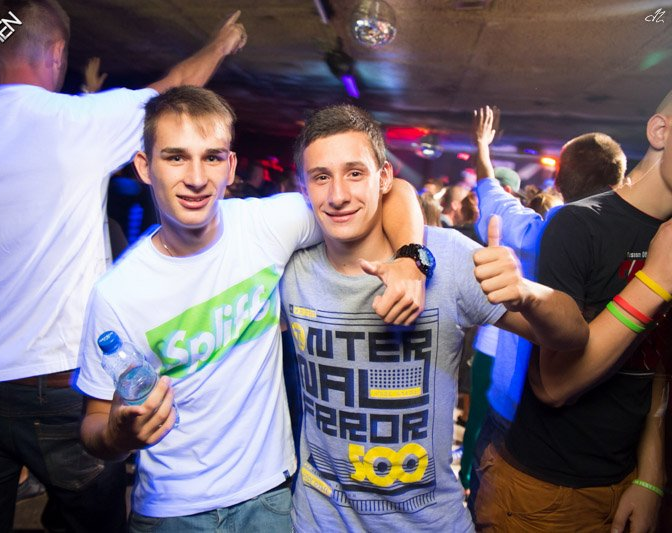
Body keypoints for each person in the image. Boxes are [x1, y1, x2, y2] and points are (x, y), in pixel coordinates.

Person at [0, 1, 248, 531]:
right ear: (57, 52)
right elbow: (174, 88)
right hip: (63, 383)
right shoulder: (77, 122)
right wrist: (221, 44)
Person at [75, 86, 429, 532]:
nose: (196, 178)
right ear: (145, 167)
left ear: (231, 166)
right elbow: (92, 425)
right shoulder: (116, 294)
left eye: (212, 157)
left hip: (271, 498)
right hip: (171, 512)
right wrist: (116, 436)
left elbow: (390, 190)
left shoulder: (269, 225)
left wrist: (410, 259)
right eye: (176, 157)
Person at [279, 104, 588, 532]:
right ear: (304, 186)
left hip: (429, 523)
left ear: (384, 177)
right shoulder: (289, 267)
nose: (338, 195)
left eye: (355, 173)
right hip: (319, 521)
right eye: (321, 177)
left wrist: (527, 292)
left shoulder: (448, 256)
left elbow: (574, 335)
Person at [474, 93, 672, 531]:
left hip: (625, 481)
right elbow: (555, 385)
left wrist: (651, 477)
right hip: (545, 492)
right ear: (660, 131)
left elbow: (658, 364)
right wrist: (655, 281)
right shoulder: (579, 224)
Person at [464, 106, 627, 515]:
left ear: (558, 182)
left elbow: (487, 187)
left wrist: (482, 146)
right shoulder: (629, 252)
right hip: (585, 431)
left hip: (510, 410)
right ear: (616, 184)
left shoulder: (525, 232)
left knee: (489, 509)